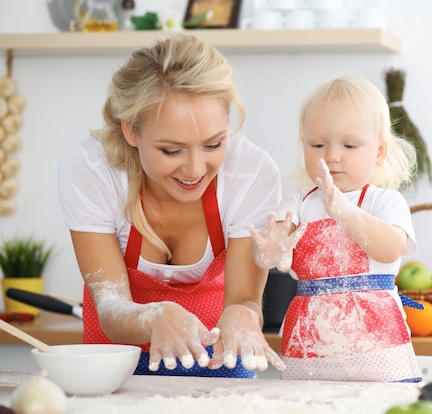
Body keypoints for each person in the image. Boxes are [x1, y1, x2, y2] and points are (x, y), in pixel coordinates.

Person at [57, 33, 285, 378]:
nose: (195, 170)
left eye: (213, 144)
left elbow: (243, 300)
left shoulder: (252, 173)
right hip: (118, 367)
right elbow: (111, 307)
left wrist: (244, 314)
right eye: (171, 150)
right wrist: (153, 316)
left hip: (219, 363)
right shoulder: (92, 170)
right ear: (131, 131)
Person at [249, 75, 422, 382]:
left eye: (350, 145)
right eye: (318, 144)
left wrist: (344, 212)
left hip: (376, 348)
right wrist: (268, 252)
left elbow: (391, 247)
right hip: (309, 342)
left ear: (379, 152)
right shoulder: (297, 202)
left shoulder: (384, 202)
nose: (331, 156)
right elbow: (269, 248)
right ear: (304, 146)